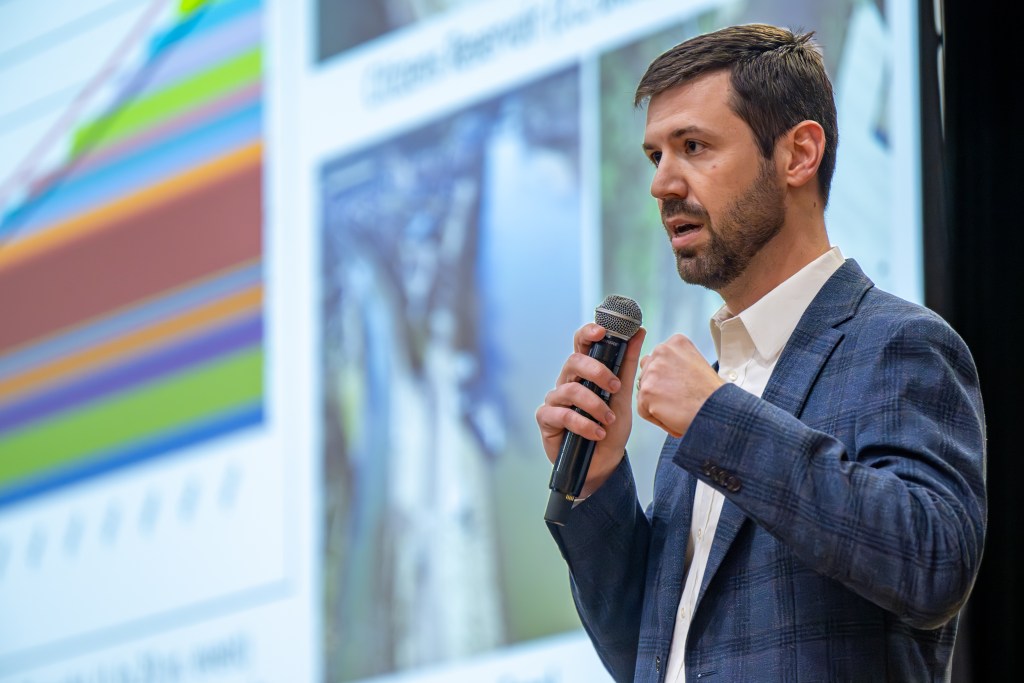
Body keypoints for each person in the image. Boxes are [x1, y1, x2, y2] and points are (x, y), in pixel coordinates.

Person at [535, 24, 986, 682]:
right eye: (655, 156)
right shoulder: (717, 391)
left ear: (799, 154)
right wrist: (600, 479)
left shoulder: (897, 344)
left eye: (693, 146)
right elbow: (650, 653)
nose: (662, 183)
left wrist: (718, 418)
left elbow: (933, 562)